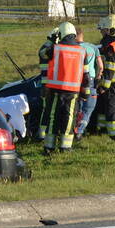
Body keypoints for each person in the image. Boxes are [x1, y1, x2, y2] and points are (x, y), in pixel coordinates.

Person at [37, 22, 92, 154]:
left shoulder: (55, 49)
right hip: (73, 92)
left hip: (55, 90)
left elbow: (42, 54)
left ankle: (49, 147)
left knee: (52, 117)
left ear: (60, 34)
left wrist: (52, 40)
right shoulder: (82, 51)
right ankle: (65, 147)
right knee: (68, 118)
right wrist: (86, 93)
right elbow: (86, 75)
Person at [74, 26, 104, 138]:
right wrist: (98, 78)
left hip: (75, 81)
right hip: (90, 81)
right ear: (82, 35)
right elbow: (101, 66)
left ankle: (73, 129)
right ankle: (79, 131)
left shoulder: (72, 48)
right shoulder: (93, 47)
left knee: (77, 108)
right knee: (88, 109)